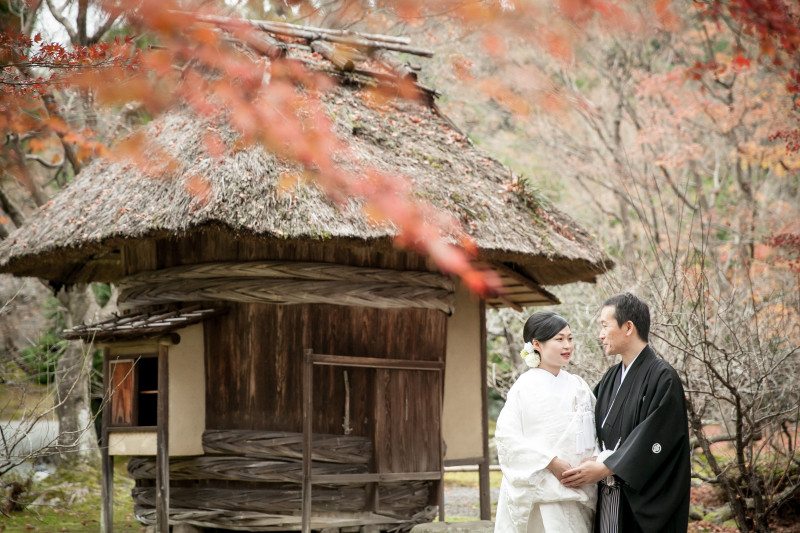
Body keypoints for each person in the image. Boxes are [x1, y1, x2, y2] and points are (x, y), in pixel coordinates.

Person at [560, 293, 691, 533]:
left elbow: (655, 437)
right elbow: (586, 420)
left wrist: (607, 467)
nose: (600, 334)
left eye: (604, 325)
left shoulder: (663, 377)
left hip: (642, 498)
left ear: (628, 327)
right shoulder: (611, 378)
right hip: (609, 493)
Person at [494, 311, 599, 533]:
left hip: (578, 488)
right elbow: (506, 439)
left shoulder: (579, 385)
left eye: (570, 338)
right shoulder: (523, 387)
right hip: (540, 491)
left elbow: (596, 431)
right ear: (537, 345)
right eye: (559, 339)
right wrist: (550, 461)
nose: (567, 345)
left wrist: (592, 462)